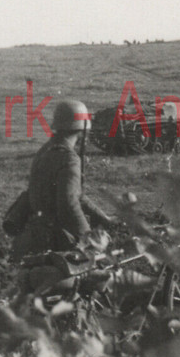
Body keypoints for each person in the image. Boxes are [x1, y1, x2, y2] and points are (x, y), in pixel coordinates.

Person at [10, 99, 114, 262]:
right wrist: (89, 238)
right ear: (81, 130)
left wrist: (103, 218)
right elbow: (68, 204)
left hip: (33, 235)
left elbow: (75, 195)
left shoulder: (44, 151)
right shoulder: (69, 159)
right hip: (55, 241)